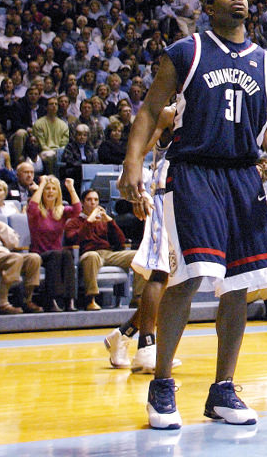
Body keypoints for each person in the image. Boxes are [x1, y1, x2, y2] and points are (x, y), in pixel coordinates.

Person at [119, 0, 267, 430]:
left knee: (238, 285)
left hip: (242, 175)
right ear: (209, 7)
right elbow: (150, 109)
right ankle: (162, 384)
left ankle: (222, 390)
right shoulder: (188, 51)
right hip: (194, 170)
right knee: (188, 277)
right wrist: (132, 163)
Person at [104, 103, 182, 374]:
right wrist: (137, 190)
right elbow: (141, 151)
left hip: (188, 199)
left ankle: (122, 335)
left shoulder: (208, 110)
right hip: (164, 194)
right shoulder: (170, 112)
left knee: (173, 281)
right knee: (159, 273)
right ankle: (147, 345)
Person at [64, 188, 145, 311]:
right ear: (82, 203)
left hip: (108, 254)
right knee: (92, 256)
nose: (93, 203)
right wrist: (88, 222)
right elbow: (74, 240)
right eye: (89, 200)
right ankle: (91, 299)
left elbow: (121, 242)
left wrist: (111, 222)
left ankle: (137, 297)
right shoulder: (74, 222)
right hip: (88, 253)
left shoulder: (103, 221)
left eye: (96, 200)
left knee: (140, 255)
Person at [27, 174, 79, 311]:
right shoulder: (36, 212)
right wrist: (42, 184)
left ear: (58, 193)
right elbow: (32, 205)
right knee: (56, 255)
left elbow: (77, 210)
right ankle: (51, 300)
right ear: (42, 191)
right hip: (39, 254)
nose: (50, 191)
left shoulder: (61, 211)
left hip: (57, 254)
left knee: (67, 254)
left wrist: (71, 188)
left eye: (53, 189)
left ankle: (69, 300)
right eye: (47, 189)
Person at [0, 207, 41, 313]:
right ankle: (2, 302)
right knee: (15, 258)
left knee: (34, 258)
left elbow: (13, 243)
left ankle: (27, 300)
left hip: (4, 254)